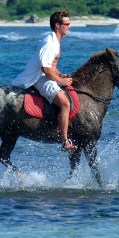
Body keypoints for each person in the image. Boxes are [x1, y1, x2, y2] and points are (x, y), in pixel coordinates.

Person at [12, 10, 78, 151]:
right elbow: (45, 69)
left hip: (47, 75)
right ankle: (64, 141)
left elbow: (53, 67)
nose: (69, 27)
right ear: (57, 25)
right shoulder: (50, 43)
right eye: (66, 24)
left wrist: (61, 76)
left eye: (69, 24)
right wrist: (60, 80)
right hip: (40, 79)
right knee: (65, 103)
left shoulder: (55, 40)